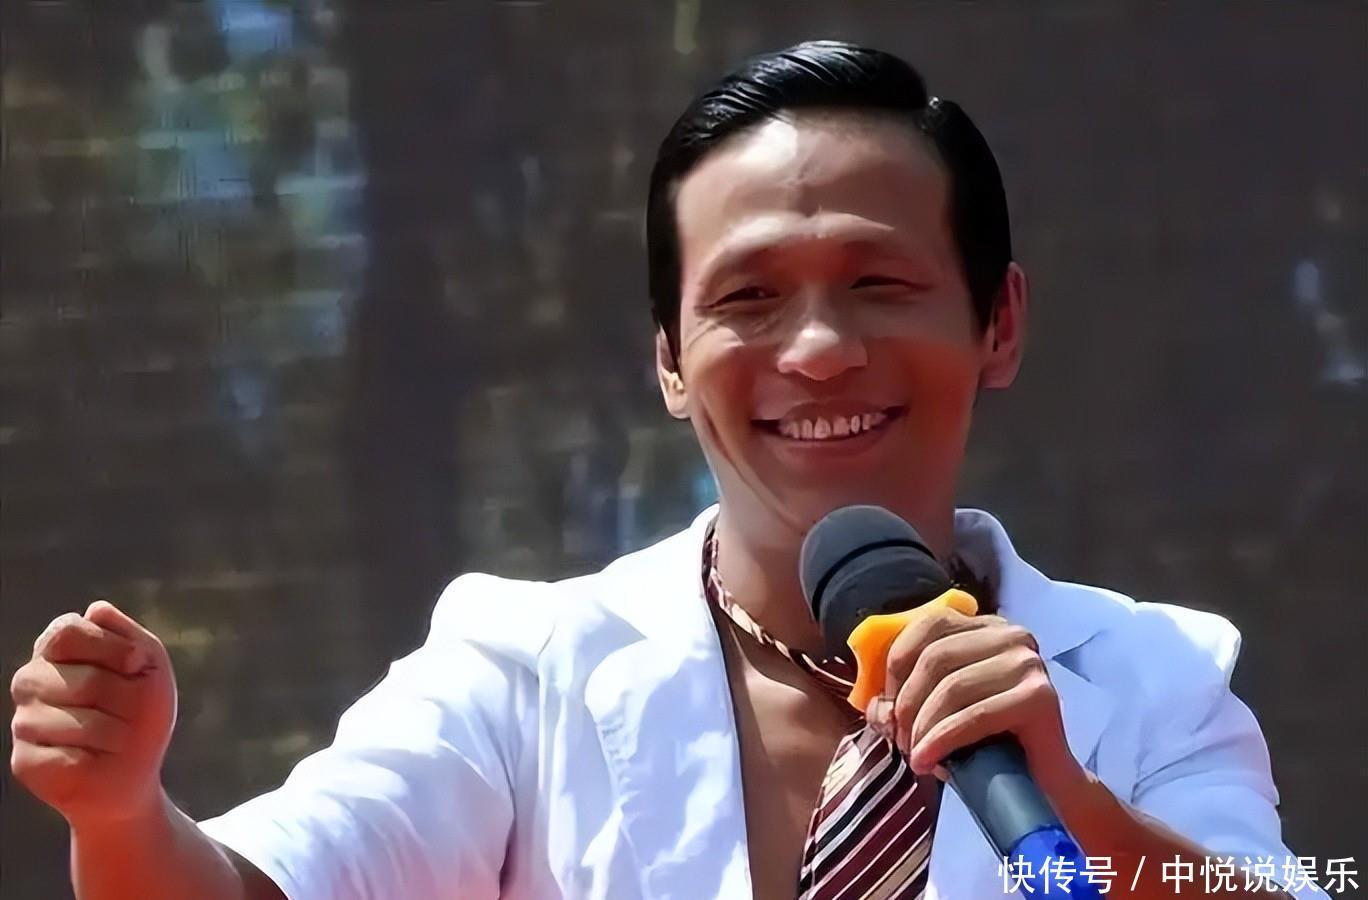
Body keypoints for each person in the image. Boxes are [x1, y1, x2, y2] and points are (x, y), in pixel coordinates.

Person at [9, 41, 1324, 900]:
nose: (818, 349)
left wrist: (1075, 812)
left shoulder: (1156, 680)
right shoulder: (522, 675)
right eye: (748, 299)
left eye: (879, 283)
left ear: (1000, 323)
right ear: (672, 362)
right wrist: (120, 815)